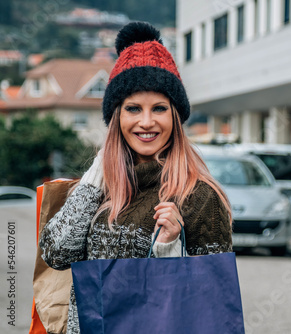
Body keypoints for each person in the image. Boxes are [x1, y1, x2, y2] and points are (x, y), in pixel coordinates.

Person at [39, 22, 233, 334]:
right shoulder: (98, 187)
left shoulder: (199, 198)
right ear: (117, 117)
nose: (146, 122)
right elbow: (56, 254)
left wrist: (169, 249)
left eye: (159, 108)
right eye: (133, 108)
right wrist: (95, 178)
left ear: (175, 117)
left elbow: (213, 307)